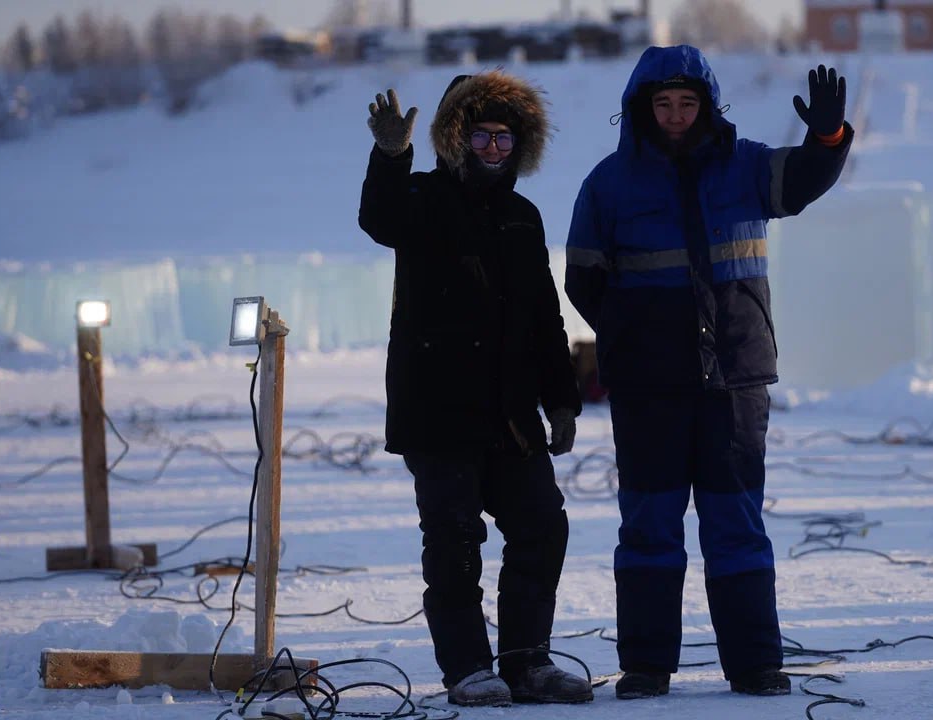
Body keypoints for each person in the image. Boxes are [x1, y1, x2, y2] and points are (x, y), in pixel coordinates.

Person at [564, 46, 853, 699]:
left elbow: (804, 178)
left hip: (735, 378)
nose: (674, 115)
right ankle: (646, 664)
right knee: (649, 524)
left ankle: (754, 663)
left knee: (736, 522)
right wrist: (636, 337)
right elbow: (583, 278)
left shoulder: (747, 164)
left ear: (705, 106)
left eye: (686, 103)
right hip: (648, 388)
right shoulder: (607, 183)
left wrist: (828, 136)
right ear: (642, 108)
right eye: (662, 104)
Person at [358, 72, 592, 707]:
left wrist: (562, 399)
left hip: (510, 413)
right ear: (456, 138)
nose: (494, 148)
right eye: (482, 135)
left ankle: (526, 664)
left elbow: (545, 317)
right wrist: (389, 155)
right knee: (456, 540)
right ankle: (467, 668)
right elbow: (378, 220)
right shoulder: (422, 199)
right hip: (438, 413)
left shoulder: (522, 217)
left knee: (543, 526)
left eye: (505, 138)